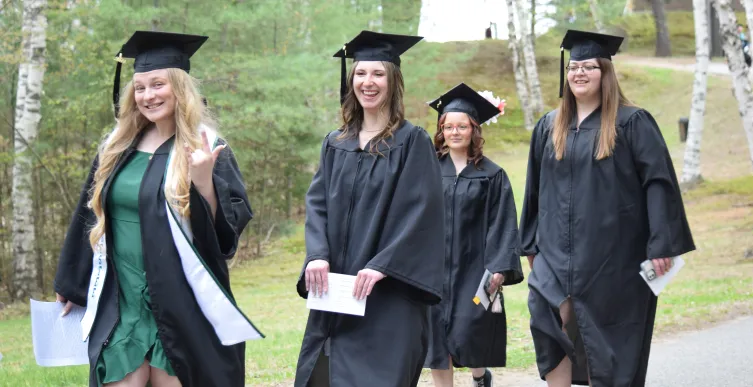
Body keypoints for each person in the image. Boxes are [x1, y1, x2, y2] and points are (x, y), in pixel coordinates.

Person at [54, 31, 263, 387]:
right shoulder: (116, 147)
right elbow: (89, 215)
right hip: (121, 299)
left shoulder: (207, 146)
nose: (148, 96)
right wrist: (72, 282)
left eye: (157, 85)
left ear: (179, 88)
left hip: (179, 302)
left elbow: (225, 234)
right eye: (140, 87)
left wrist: (203, 183)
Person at [518, 30, 695, 387]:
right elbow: (534, 189)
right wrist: (529, 243)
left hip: (612, 254)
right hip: (554, 251)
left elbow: (658, 183)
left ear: (605, 73)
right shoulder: (549, 127)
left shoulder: (631, 122)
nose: (579, 73)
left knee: (609, 338)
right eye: (574, 67)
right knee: (546, 319)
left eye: (589, 67)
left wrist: (662, 243)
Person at [294, 30, 445, 387]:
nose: (368, 82)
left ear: (393, 81)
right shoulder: (336, 143)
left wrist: (382, 266)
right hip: (338, 293)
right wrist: (317, 255)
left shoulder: (412, 142)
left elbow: (422, 213)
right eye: (361, 74)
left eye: (378, 74)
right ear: (351, 81)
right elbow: (317, 204)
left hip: (388, 296)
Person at [424, 83, 524, 387]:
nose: (455, 132)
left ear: (474, 130)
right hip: (433, 268)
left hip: (475, 266)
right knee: (437, 343)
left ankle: (480, 376)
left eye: (462, 126)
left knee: (470, 330)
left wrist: (498, 267)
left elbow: (503, 221)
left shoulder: (492, 175)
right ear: (441, 130)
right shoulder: (427, 169)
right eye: (448, 126)